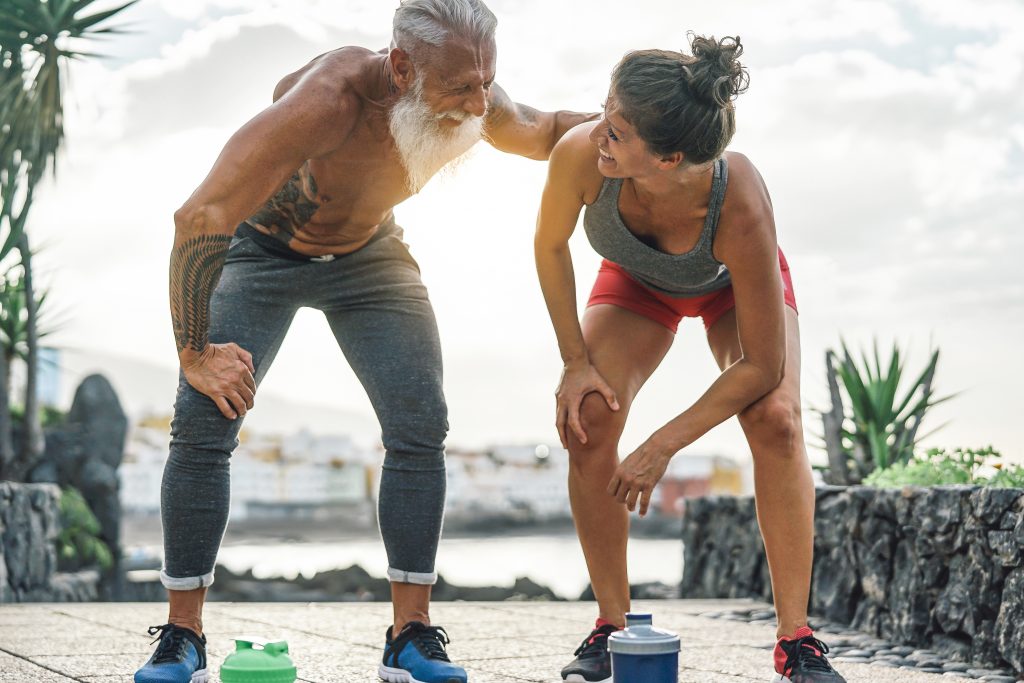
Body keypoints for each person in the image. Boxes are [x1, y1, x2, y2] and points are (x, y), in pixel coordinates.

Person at [134, 2, 596, 682]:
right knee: (205, 417)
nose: (478, 103)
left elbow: (550, 129)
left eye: (486, 82)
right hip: (263, 252)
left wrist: (631, 124)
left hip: (369, 255)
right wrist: (194, 353)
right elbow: (198, 214)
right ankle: (182, 635)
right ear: (402, 67)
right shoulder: (329, 100)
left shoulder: (476, 95)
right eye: (462, 86)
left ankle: (410, 636)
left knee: (419, 422)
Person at [534, 35, 846, 683]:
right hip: (638, 281)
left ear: (669, 156)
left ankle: (797, 639)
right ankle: (611, 626)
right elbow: (550, 245)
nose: (600, 136)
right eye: (604, 113)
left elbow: (762, 365)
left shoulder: (740, 202)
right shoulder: (582, 153)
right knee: (588, 414)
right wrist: (573, 363)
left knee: (777, 419)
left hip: (732, 288)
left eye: (617, 132)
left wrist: (662, 444)